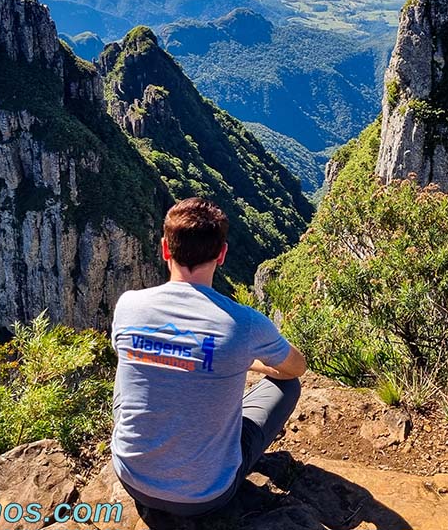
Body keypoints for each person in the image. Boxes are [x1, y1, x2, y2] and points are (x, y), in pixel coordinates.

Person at [110, 197, 307, 520]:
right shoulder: (243, 324)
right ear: (222, 254)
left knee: (130, 366)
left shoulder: (129, 305)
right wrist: (245, 360)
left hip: (132, 477)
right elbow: (295, 367)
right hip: (208, 494)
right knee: (289, 387)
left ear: (165, 249)